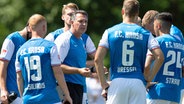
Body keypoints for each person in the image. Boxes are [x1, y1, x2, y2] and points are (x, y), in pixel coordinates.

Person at [94, 0, 164, 104]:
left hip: (117, 81)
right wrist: (148, 78)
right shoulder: (145, 33)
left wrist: (103, 84)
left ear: (123, 11)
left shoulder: (110, 32)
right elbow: (160, 57)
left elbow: (97, 59)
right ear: (137, 14)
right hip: (138, 82)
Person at [15, 14, 72, 104]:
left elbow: (19, 78)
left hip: (28, 100)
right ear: (44, 27)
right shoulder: (50, 46)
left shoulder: (20, 50)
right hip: (49, 98)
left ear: (29, 28)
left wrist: (23, 98)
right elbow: (58, 72)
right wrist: (67, 95)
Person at [142, 10, 184, 104]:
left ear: (158, 25)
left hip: (158, 91)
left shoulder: (156, 42)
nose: (152, 34)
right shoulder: (180, 44)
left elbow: (147, 65)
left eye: (152, 29)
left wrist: (146, 81)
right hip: (175, 93)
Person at [55, 10, 92, 104]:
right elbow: (56, 67)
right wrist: (78, 71)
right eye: (80, 21)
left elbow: (78, 64)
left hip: (79, 86)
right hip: (66, 87)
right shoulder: (64, 39)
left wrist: (93, 69)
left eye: (86, 22)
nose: (83, 24)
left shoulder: (81, 40)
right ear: (72, 22)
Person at [0, 19, 31, 104]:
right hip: (10, 93)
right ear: (29, 27)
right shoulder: (12, 39)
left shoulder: (32, 42)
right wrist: (3, 90)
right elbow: (2, 65)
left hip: (24, 94)